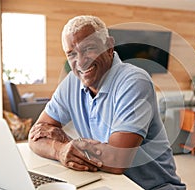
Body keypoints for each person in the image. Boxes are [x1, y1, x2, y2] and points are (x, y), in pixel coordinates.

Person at [28, 15, 186, 190]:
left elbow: (117, 159)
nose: (80, 62)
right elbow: (35, 135)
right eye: (71, 53)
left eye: (89, 49)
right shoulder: (71, 82)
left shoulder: (134, 81)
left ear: (109, 46)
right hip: (105, 182)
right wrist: (61, 150)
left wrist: (68, 145)